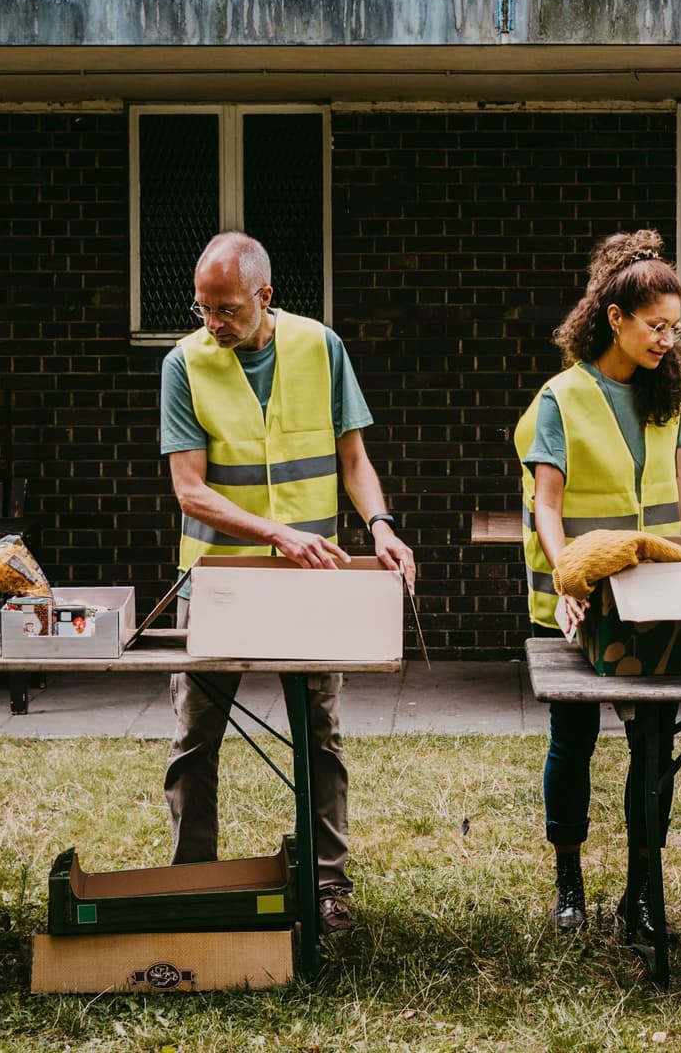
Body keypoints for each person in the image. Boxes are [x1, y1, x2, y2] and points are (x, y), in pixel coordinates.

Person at [159, 232, 415, 936]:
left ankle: (329, 886)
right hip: (217, 578)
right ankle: (192, 884)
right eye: (204, 307)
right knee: (194, 737)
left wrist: (383, 526)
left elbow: (353, 457)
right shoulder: (183, 364)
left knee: (320, 735)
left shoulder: (321, 347)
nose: (213, 323)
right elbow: (190, 491)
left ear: (265, 297)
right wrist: (275, 532)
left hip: (312, 581)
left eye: (228, 309)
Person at [513, 229, 681, 945]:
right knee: (573, 741)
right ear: (615, 319)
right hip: (575, 603)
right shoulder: (559, 399)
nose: (667, 340)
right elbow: (546, 504)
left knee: (654, 747)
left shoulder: (671, 397)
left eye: (674, 328)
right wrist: (568, 577)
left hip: (654, 599)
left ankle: (641, 893)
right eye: (656, 326)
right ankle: (569, 885)